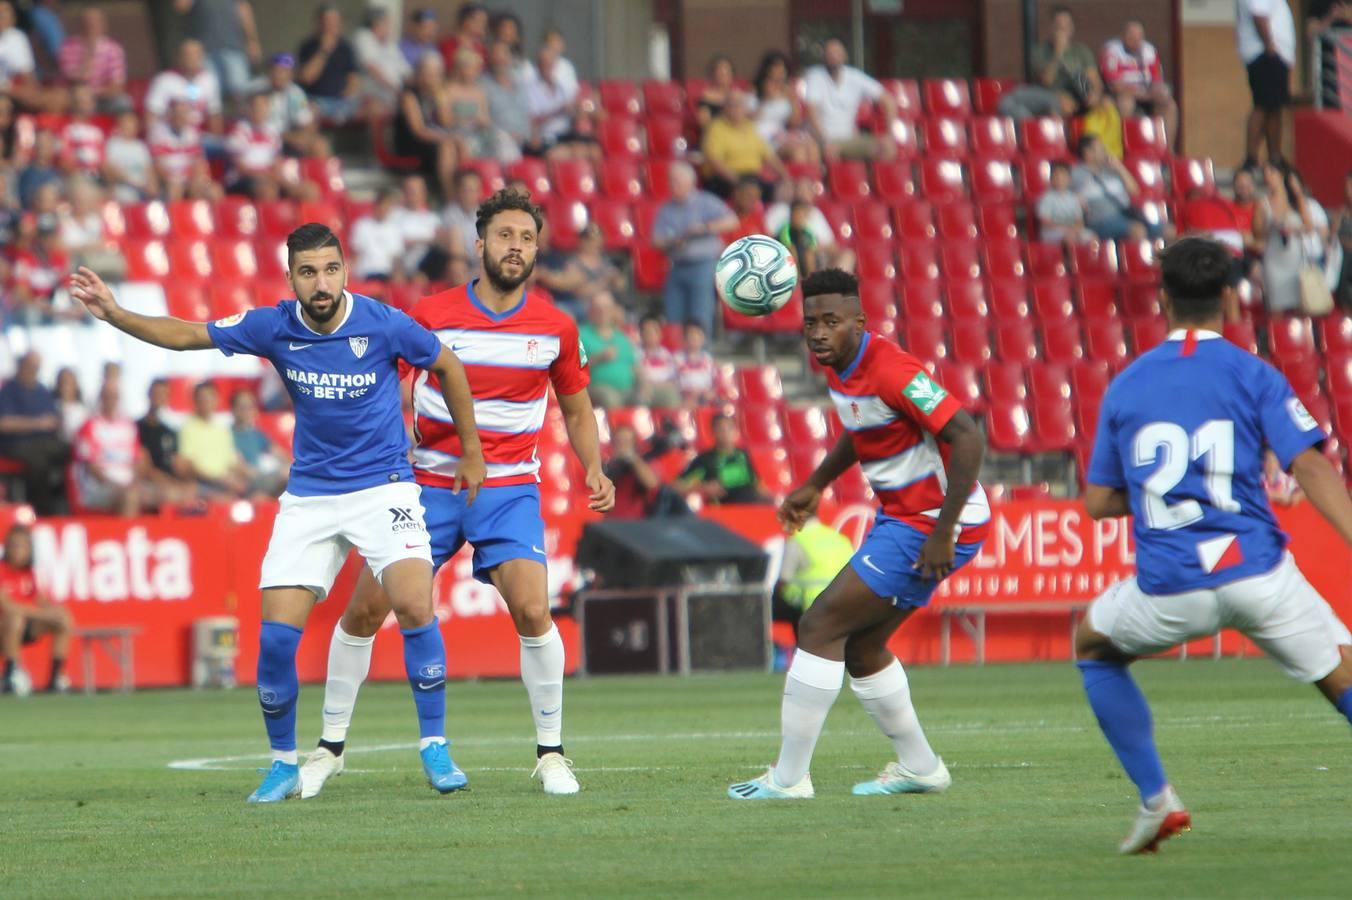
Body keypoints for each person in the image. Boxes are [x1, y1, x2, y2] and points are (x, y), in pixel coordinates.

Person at [69, 223, 486, 803]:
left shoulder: (383, 322)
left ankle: (435, 748)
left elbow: (449, 366)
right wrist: (116, 314)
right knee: (273, 641)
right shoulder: (273, 325)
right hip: (311, 496)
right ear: (291, 277)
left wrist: (471, 451)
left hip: (385, 488)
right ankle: (282, 763)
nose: (322, 283)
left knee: (415, 604)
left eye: (331, 270)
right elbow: (189, 335)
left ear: (344, 271)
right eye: (309, 272)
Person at [297, 189, 614, 800]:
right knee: (364, 610)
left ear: (537, 248)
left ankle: (551, 754)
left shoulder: (556, 326)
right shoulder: (430, 312)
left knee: (532, 610)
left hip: (510, 486)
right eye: (503, 236)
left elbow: (576, 408)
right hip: (426, 485)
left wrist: (594, 468)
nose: (514, 246)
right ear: (480, 245)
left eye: (525, 237)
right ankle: (329, 748)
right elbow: (385, 386)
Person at [1073, 236, 1352, 853]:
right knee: (1341, 679)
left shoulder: (1127, 385)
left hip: (1172, 588)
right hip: (1256, 574)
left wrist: (1163, 498)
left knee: (1092, 642)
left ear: (1162, 300)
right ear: (1231, 298)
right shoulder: (1255, 374)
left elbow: (1096, 504)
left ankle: (1157, 801)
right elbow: (1309, 466)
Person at [728, 268, 989, 800]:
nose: (819, 332)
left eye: (831, 321)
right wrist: (817, 483)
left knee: (820, 624)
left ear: (859, 322)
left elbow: (967, 436)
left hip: (932, 520)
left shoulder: (892, 369)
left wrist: (943, 529)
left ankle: (789, 778)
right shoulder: (840, 367)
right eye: (810, 323)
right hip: (905, 516)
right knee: (863, 647)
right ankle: (921, 767)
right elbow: (862, 427)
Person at [651, 161, 738, 337]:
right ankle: (675, 353)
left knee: (700, 314)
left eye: (676, 181)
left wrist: (704, 228)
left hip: (702, 265)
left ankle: (701, 358)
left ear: (689, 182)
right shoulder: (666, 209)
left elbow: (732, 221)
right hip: (677, 264)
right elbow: (656, 240)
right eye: (670, 181)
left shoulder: (705, 201)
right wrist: (672, 242)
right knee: (673, 315)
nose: (671, 185)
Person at [0, 524, 73, 695]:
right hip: (4, 628)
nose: (18, 550)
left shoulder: (30, 573)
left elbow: (41, 600)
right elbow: (7, 605)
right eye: (13, 545)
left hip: (24, 627)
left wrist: (54, 611)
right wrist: (43, 614)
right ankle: (10, 673)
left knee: (63, 618)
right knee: (14, 618)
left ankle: (56, 677)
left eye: (23, 546)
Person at [0, 351, 69, 515]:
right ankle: (41, 511)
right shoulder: (9, 390)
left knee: (73, 452)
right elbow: (4, 423)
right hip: (16, 444)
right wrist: (38, 423)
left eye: (36, 367)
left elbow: (53, 419)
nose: (33, 370)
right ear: (22, 366)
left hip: (46, 443)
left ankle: (66, 504)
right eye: (31, 366)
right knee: (38, 460)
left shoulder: (42, 391)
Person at [802, 39, 895, 160]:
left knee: (887, 148)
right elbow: (811, 113)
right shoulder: (815, 76)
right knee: (831, 153)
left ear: (845, 56)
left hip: (849, 138)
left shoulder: (855, 76)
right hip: (822, 139)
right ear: (824, 57)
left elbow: (888, 101)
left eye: (837, 53)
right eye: (829, 54)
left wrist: (889, 134)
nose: (833, 56)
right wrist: (826, 140)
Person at [1100, 20, 1178, 151]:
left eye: (1138, 36)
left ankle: (1166, 150)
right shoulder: (1111, 51)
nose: (1135, 40)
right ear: (1123, 35)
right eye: (1131, 36)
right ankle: (1127, 148)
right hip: (1121, 95)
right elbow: (1115, 85)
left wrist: (1155, 92)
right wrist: (1143, 94)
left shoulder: (1149, 51)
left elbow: (1156, 80)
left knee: (1169, 105)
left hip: (1145, 94)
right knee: (1126, 103)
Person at [774, 515, 856, 640]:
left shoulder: (798, 540)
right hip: (844, 605)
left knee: (769, 607)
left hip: (810, 606)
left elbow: (784, 580)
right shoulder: (841, 539)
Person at [71, 380, 146, 515]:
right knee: (130, 496)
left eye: (115, 396)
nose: (111, 400)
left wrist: (135, 481)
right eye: (108, 396)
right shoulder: (89, 426)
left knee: (174, 494)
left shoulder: (128, 426)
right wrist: (119, 486)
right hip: (99, 487)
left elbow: (139, 460)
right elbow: (92, 468)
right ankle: (126, 533)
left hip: (129, 484)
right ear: (101, 398)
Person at [1237, 0, 1296, 170]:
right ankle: (1252, 157)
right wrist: (1270, 46)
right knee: (1263, 105)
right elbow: (1259, 15)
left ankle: (1274, 156)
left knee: (1274, 107)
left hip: (1272, 56)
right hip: (1264, 55)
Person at [702, 90, 788, 200]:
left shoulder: (750, 126)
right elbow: (714, 161)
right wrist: (737, 180)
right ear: (725, 108)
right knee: (750, 191)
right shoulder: (715, 128)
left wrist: (785, 176)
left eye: (740, 105)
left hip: (751, 178)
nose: (736, 109)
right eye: (732, 105)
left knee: (784, 191)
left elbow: (768, 155)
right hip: (725, 179)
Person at [396, 53, 458, 200]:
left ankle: (465, 192)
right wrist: (445, 138)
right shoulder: (409, 95)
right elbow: (418, 130)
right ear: (420, 74)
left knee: (460, 145)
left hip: (435, 138)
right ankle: (450, 195)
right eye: (429, 74)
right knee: (447, 146)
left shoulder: (440, 93)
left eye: (437, 74)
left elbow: (447, 122)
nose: (433, 78)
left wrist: (440, 97)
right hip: (412, 142)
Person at [1072, 135, 1156, 242]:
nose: (1105, 151)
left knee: (1169, 230)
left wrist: (1119, 167)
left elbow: (1134, 190)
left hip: (1126, 215)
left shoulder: (1111, 170)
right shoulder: (1076, 174)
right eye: (1101, 149)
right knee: (1138, 231)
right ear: (1087, 152)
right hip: (1101, 221)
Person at [535, 221, 626, 319]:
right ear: (581, 241)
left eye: (596, 239)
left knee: (618, 313)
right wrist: (605, 282)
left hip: (603, 304)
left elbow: (620, 284)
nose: (593, 244)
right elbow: (580, 291)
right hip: (581, 305)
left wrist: (616, 280)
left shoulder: (605, 262)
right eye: (589, 240)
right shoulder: (572, 263)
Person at [176, 381, 253, 498]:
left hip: (226, 482)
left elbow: (232, 462)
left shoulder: (223, 430)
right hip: (203, 483)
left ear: (217, 400)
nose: (206, 402)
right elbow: (187, 465)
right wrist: (219, 479)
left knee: (259, 495)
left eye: (210, 397)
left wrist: (251, 475)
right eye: (202, 398)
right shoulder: (188, 428)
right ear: (195, 401)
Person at [175, 0, 261, 102]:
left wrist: (251, 40)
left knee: (241, 90)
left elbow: (244, 10)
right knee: (209, 93)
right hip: (204, 51)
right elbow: (180, 6)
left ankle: (242, 117)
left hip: (233, 46)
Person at [1255, 161, 1310, 313]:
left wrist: (1292, 228)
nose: (1268, 178)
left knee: (1299, 307)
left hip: (1295, 257)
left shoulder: (1295, 199)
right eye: (1265, 174)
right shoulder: (1263, 202)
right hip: (1274, 257)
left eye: (1271, 173)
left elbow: (1309, 226)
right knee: (1276, 307)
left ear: (1281, 175)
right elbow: (1257, 232)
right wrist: (1271, 226)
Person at [677, 413, 766, 505]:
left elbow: (757, 484)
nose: (725, 433)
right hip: (723, 509)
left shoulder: (743, 454)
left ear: (736, 432)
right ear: (713, 433)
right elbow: (676, 487)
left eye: (729, 428)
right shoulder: (704, 459)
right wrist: (703, 488)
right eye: (721, 429)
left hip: (752, 505)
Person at [144, 39, 224, 138]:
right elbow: (152, 115)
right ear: (179, 57)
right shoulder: (164, 80)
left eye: (196, 55)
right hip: (172, 137)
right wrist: (155, 140)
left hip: (200, 137)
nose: (192, 59)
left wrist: (217, 139)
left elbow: (214, 113)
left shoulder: (208, 78)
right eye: (188, 55)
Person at [296, 4, 362, 124]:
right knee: (307, 109)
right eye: (327, 21)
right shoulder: (308, 46)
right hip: (315, 100)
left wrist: (348, 93)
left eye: (335, 21)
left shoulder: (346, 47)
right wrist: (323, 51)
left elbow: (354, 78)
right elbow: (306, 78)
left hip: (341, 102)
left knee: (373, 107)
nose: (331, 25)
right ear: (319, 23)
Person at [136, 378, 197, 506]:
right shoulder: (137, 428)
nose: (159, 398)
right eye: (156, 393)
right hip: (148, 482)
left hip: (170, 481)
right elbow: (143, 466)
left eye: (163, 394)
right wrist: (166, 481)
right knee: (170, 494)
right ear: (149, 395)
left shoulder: (170, 431)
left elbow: (176, 463)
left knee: (192, 490)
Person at [751, 50, 818, 165]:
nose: (780, 72)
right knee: (798, 151)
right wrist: (766, 99)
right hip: (762, 137)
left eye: (783, 69)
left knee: (811, 146)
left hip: (781, 135)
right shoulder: (753, 92)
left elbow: (794, 123)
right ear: (767, 70)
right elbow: (749, 120)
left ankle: (815, 181)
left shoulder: (787, 94)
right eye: (776, 68)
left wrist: (792, 100)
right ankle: (801, 181)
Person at [56, 7, 128, 111]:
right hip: (74, 96)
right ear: (80, 25)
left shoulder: (114, 49)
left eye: (96, 22)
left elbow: (117, 85)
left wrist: (94, 94)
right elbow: (77, 79)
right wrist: (89, 52)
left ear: (103, 25)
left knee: (122, 102)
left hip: (101, 97)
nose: (91, 25)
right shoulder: (68, 46)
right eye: (87, 22)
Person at [253, 53, 319, 158]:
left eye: (283, 71)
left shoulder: (296, 93)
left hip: (286, 139)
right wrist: (289, 137)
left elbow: (306, 121)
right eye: (275, 71)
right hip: (260, 139)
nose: (278, 75)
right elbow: (260, 127)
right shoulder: (258, 90)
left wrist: (304, 136)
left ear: (291, 74)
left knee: (318, 146)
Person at [579, 292, 637, 409]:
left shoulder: (622, 337)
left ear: (612, 311)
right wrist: (599, 357)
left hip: (627, 389)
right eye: (598, 308)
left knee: (656, 396)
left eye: (606, 308)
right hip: (595, 388)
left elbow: (635, 366)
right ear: (590, 311)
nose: (602, 312)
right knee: (611, 398)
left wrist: (645, 386)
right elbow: (574, 368)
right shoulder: (580, 334)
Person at [230, 389, 288, 497]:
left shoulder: (257, 434)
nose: (247, 411)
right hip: (249, 481)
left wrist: (290, 464)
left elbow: (279, 453)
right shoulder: (228, 435)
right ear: (234, 410)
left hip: (264, 479)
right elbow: (238, 464)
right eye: (243, 407)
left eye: (250, 407)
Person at [352, 7, 410, 114]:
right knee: (378, 108)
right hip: (371, 95)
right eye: (386, 23)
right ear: (375, 23)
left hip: (393, 95)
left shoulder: (390, 44)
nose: (389, 27)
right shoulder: (364, 37)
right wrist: (396, 89)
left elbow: (406, 71)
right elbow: (372, 69)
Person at [605, 424, 664, 518]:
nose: (623, 445)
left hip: (636, 520)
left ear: (634, 444)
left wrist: (631, 458)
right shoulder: (606, 463)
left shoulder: (644, 462)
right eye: (619, 441)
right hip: (611, 520)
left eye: (627, 441)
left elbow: (652, 484)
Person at [349, 188, 406, 281]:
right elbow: (356, 254)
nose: (383, 209)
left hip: (387, 274)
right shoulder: (362, 225)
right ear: (376, 206)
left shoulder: (394, 229)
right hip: (366, 273)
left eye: (387, 206)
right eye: (382, 205)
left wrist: (398, 274)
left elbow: (396, 257)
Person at [102, 111, 157, 203]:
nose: (129, 127)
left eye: (132, 124)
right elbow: (109, 169)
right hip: (121, 188)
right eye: (126, 124)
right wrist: (134, 183)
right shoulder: (112, 144)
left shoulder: (140, 146)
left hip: (142, 190)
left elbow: (148, 168)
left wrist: (152, 185)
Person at [1037, 160, 1089, 245]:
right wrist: (1066, 229)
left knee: (1092, 237)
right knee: (1070, 238)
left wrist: (1076, 229)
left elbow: (1079, 220)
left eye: (1063, 176)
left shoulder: (1073, 198)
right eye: (1056, 176)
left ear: (1069, 179)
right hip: (1052, 232)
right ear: (1051, 179)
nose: (1060, 179)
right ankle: (1070, 258)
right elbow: (1045, 222)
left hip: (1072, 230)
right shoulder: (1046, 198)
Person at [636, 314, 680, 408]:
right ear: (641, 334)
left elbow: (674, 378)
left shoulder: (667, 355)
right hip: (644, 390)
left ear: (660, 334)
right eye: (647, 332)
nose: (651, 336)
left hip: (663, 389)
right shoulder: (636, 354)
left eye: (654, 332)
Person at [675, 321, 717, 407]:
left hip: (704, 397)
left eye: (698, 334)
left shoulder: (708, 359)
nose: (694, 337)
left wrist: (709, 392)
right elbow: (674, 383)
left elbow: (714, 382)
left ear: (703, 338)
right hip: (685, 397)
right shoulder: (677, 358)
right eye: (691, 334)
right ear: (684, 338)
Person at [438, 2, 488, 71]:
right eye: (479, 21)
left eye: (484, 22)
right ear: (466, 21)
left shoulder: (481, 49)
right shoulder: (447, 45)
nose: (482, 25)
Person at [696, 55, 737, 130]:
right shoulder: (706, 97)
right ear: (713, 74)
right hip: (715, 135)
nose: (724, 76)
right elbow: (703, 123)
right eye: (720, 73)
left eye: (727, 73)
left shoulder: (736, 95)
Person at [53, 366, 88, 441]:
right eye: (62, 382)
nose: (65, 387)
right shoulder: (52, 406)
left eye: (69, 382)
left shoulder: (82, 411)